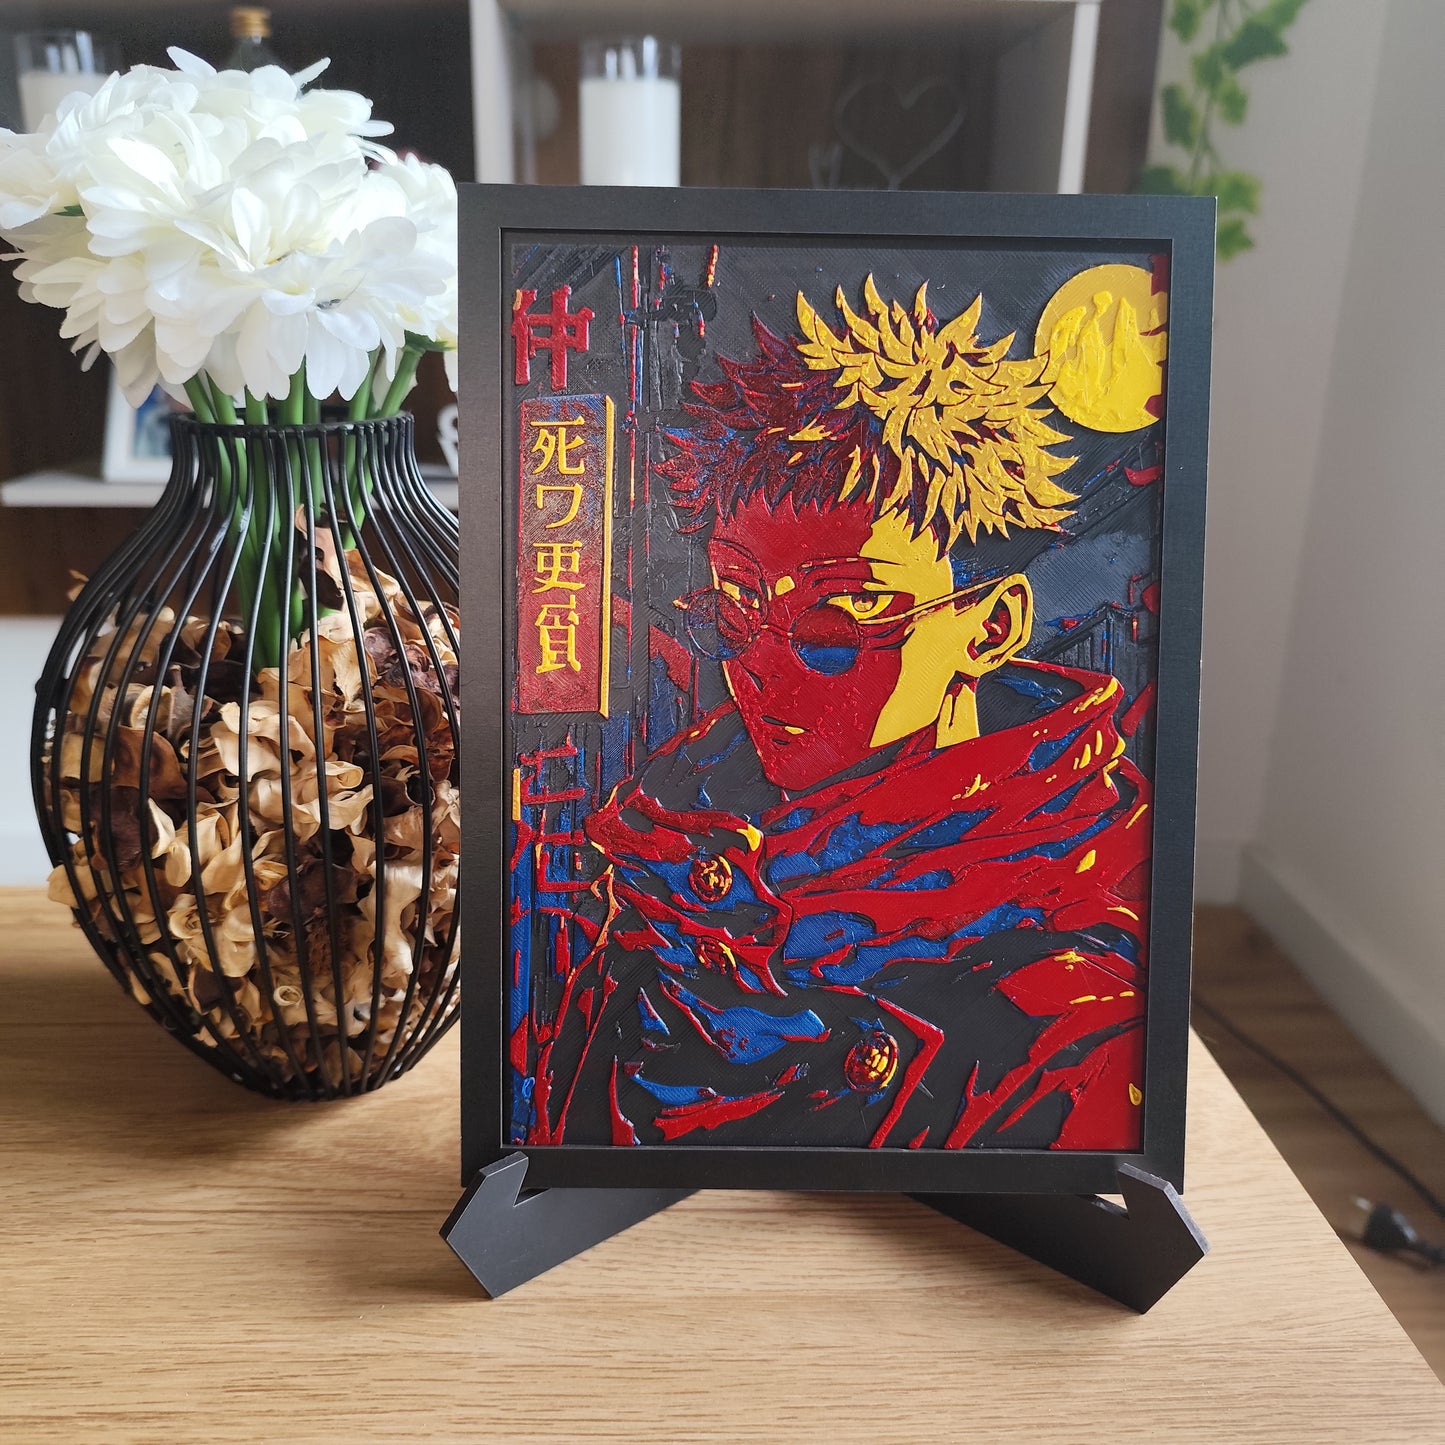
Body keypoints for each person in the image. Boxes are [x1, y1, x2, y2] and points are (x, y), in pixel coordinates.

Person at [518, 277, 1152, 1152]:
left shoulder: (1075, 985)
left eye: (837, 622)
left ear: (989, 628)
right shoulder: (666, 858)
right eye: (735, 609)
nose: (763, 668)